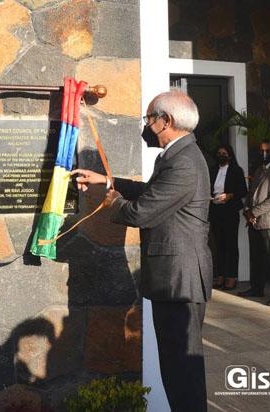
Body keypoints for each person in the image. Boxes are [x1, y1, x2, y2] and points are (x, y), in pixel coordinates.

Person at [72, 90, 211, 412]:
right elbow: (152, 192)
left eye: (149, 118)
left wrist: (114, 202)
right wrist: (107, 181)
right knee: (176, 368)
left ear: (166, 121)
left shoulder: (184, 162)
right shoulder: (176, 156)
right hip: (173, 279)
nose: (146, 125)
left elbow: (141, 213)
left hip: (179, 281)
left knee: (183, 372)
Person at [238, 139, 270, 307]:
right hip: (253, 221)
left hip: (268, 222)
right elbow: (251, 193)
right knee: (256, 258)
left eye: (268, 150)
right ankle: (256, 288)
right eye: (261, 150)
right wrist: (247, 210)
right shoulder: (259, 170)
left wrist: (253, 212)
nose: (264, 153)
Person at [210, 143, 248, 290]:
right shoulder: (213, 170)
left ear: (230, 155)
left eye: (224, 154)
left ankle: (231, 277)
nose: (221, 156)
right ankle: (220, 276)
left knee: (230, 245)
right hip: (215, 210)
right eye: (219, 153)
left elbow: (243, 191)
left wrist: (230, 195)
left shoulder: (236, 170)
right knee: (218, 245)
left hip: (230, 211)